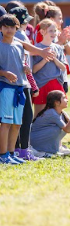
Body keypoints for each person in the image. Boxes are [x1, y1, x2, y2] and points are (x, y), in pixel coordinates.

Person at [8, 7, 40, 161]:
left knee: (22, 118)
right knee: (24, 117)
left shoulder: (21, 35)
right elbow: (25, 62)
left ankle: (19, 149)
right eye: (24, 21)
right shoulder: (19, 36)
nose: (27, 24)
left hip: (25, 80)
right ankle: (21, 149)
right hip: (21, 82)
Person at [0, 14, 29, 165]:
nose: (9, 30)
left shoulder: (19, 45)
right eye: (6, 26)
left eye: (12, 27)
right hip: (5, 88)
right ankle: (2, 155)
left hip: (20, 87)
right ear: (1, 28)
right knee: (5, 123)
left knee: (17, 124)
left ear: (17, 28)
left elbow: (20, 63)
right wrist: (4, 73)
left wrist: (25, 68)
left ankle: (11, 153)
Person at [30, 90, 70, 157]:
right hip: (35, 142)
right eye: (64, 98)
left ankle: (50, 150)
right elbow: (67, 130)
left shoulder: (63, 113)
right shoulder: (51, 113)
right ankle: (39, 151)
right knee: (57, 128)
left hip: (41, 140)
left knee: (59, 128)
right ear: (57, 102)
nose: (67, 100)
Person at [32, 19, 67, 116]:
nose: (54, 33)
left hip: (56, 83)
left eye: (55, 30)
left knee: (57, 113)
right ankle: (36, 131)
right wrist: (45, 58)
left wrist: (55, 59)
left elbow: (63, 67)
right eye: (50, 30)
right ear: (42, 32)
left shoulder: (58, 48)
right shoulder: (36, 48)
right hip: (41, 84)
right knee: (39, 114)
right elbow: (34, 69)